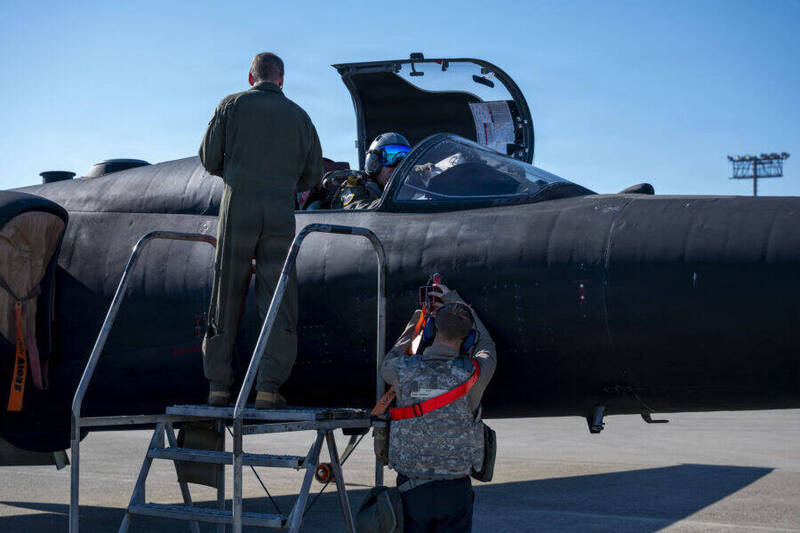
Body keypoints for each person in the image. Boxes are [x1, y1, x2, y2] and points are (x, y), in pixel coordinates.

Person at [199, 52, 322, 409]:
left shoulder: (231, 105)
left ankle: (219, 386)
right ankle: (269, 387)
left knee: (226, 292)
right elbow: (312, 176)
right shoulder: (301, 117)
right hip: (281, 211)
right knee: (279, 296)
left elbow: (208, 159)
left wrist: (239, 175)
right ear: (281, 79)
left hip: (238, 205)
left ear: (251, 78)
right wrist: (282, 183)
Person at [381, 282, 496, 532]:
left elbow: (392, 356)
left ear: (433, 330)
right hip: (454, 491)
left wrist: (418, 321)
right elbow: (488, 346)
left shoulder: (402, 370)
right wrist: (459, 304)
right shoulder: (473, 374)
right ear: (469, 340)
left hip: (412, 489)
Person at [328, 132, 411, 209]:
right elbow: (358, 211)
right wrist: (393, 199)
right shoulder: (354, 185)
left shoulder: (406, 187)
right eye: (389, 158)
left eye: (403, 161)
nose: (396, 168)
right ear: (373, 163)